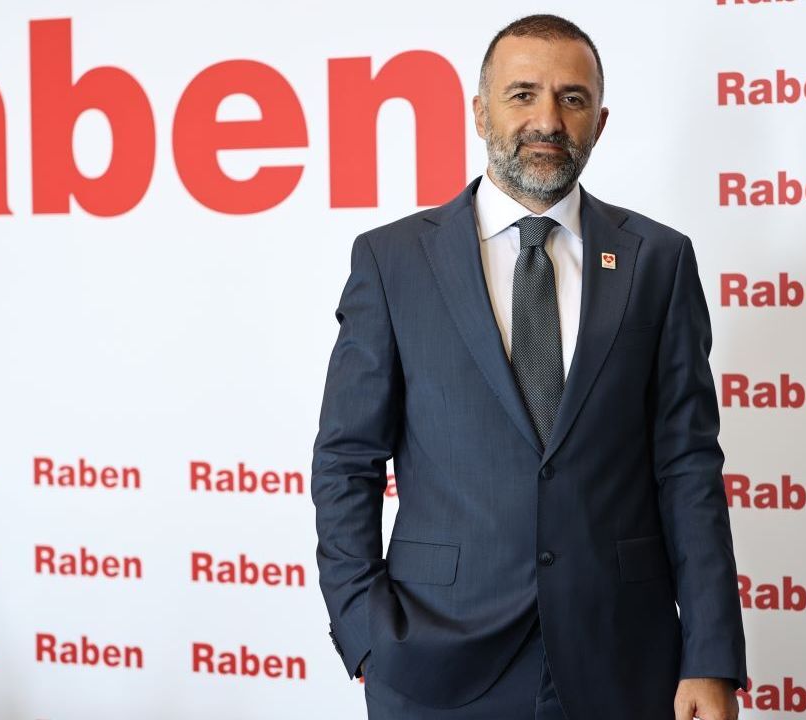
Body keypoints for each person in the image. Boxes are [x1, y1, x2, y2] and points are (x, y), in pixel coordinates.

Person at [311, 14, 746, 720]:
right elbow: (346, 459)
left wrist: (710, 655)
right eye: (522, 95)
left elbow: (687, 467)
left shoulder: (658, 260)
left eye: (572, 99)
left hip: (622, 656)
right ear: (479, 112)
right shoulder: (392, 261)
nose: (548, 120)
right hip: (434, 658)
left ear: (599, 122)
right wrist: (363, 630)